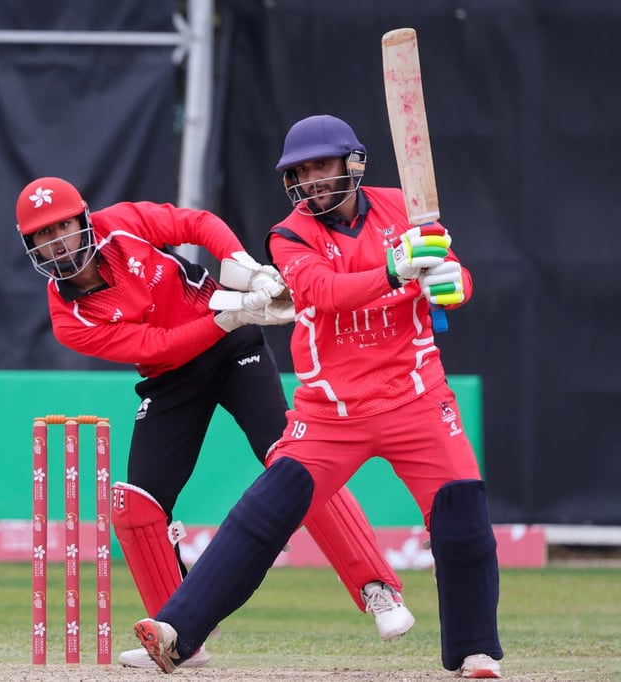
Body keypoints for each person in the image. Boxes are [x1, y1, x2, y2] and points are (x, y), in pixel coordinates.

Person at [132, 115, 503, 679]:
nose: (311, 182)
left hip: (417, 397)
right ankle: (178, 633)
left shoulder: (405, 208)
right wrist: (395, 269)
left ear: (353, 164)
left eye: (321, 167)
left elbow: (453, 278)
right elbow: (322, 293)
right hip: (331, 412)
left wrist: (451, 281)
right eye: (300, 173)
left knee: (463, 516)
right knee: (262, 514)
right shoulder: (289, 234)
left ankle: (475, 651)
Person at [15, 177, 415, 669]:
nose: (56, 242)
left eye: (63, 228)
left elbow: (195, 223)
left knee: (294, 461)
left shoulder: (120, 225)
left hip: (233, 352)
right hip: (174, 372)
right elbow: (156, 348)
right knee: (135, 506)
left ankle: (379, 589)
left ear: (84, 222)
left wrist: (241, 267)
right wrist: (233, 314)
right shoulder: (69, 318)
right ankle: (180, 636)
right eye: (42, 236)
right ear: (30, 245)